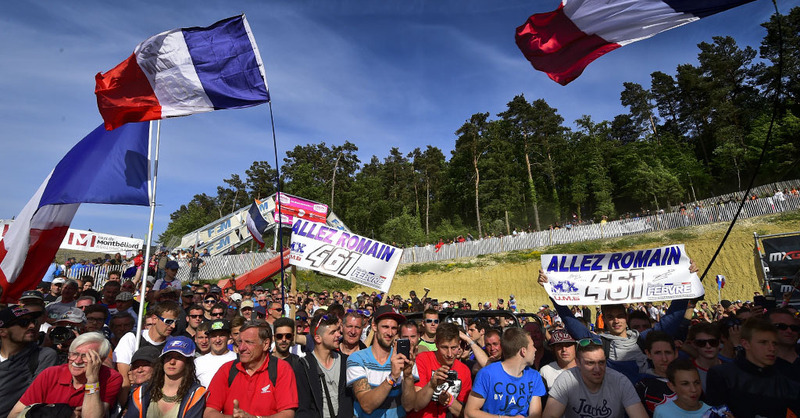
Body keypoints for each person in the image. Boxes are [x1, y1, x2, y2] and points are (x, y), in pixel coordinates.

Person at [10, 332, 123, 418]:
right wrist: (63, 413)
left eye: (85, 356)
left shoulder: (111, 377)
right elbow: (15, 414)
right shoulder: (50, 374)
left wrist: (92, 379)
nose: (77, 361)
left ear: (100, 359)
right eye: (74, 354)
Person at [705, 317, 800, 416]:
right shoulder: (722, 375)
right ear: (745, 344)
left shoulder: (788, 379)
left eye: (775, 343)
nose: (771, 348)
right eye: (763, 342)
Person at [205, 319, 298, 418]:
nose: (241, 348)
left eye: (249, 342)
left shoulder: (281, 369)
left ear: (266, 344)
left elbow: (287, 414)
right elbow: (209, 413)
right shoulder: (227, 370)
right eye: (240, 342)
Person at [543, 337, 648, 418]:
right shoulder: (566, 379)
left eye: (601, 362)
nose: (597, 369)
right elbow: (550, 415)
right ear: (577, 363)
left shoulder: (620, 381)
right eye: (590, 363)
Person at [346, 305, 417, 418]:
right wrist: (392, 377)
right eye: (385, 327)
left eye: (394, 328)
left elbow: (409, 406)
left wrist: (408, 376)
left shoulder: (404, 358)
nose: (390, 333)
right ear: (374, 326)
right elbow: (367, 405)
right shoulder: (357, 359)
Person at [464, 327, 545, 418]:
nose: (535, 349)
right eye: (532, 346)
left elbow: (535, 415)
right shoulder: (487, 374)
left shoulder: (534, 376)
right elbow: (469, 413)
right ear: (523, 351)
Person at [115, 301, 180, 404]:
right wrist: (125, 406)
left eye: (176, 322)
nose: (173, 326)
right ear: (154, 319)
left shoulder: (173, 344)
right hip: (131, 397)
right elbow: (124, 377)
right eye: (168, 321)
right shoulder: (132, 338)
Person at [125, 336, 205, 418]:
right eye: (168, 356)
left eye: (179, 357)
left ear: (188, 362)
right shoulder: (142, 391)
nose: (172, 362)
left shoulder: (196, 394)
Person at [0, 306, 58, 417]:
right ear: (2, 331)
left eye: (33, 322)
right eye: (23, 323)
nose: (32, 326)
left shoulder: (43, 356)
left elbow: (34, 398)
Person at [294, 314, 354, 418]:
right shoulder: (304, 366)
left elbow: (349, 400)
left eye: (338, 330)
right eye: (332, 332)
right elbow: (303, 407)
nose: (338, 335)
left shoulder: (346, 362)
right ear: (318, 338)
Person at [411, 323, 472, 418]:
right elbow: (416, 405)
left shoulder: (464, 370)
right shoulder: (422, 360)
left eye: (454, 348)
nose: (450, 354)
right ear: (436, 343)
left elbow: (465, 414)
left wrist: (450, 401)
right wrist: (432, 385)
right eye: (444, 347)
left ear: (459, 344)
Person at [634, 331, 677, 416]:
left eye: (668, 352)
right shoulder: (642, 386)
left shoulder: (688, 380)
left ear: (675, 353)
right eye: (658, 353)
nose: (664, 359)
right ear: (648, 354)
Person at [194, 319, 237, 387]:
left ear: (229, 336)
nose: (217, 340)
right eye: (214, 336)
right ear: (209, 338)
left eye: (222, 335)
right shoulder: (198, 362)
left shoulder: (237, 359)